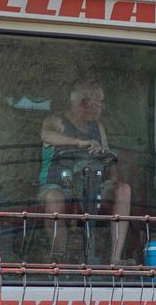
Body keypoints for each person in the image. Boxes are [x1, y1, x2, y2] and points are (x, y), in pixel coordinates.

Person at [39, 79, 132, 264]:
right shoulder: (56, 121)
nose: (102, 107)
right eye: (99, 102)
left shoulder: (98, 127)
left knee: (124, 190)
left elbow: (108, 156)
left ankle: (115, 259)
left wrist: (103, 154)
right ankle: (60, 258)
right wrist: (78, 142)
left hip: (94, 183)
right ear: (84, 102)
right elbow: (46, 135)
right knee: (53, 198)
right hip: (60, 183)